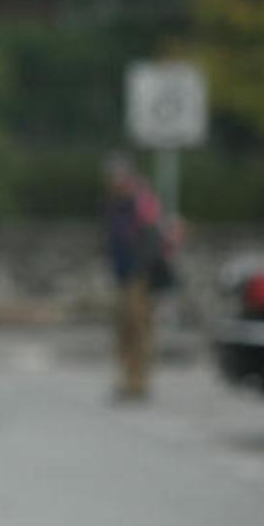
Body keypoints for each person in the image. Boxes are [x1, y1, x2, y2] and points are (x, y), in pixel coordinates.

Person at [104, 153, 175, 402]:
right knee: (124, 329)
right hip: (122, 275)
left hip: (139, 275)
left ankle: (139, 380)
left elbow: (152, 237)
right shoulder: (115, 203)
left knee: (138, 328)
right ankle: (127, 378)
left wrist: (142, 268)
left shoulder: (140, 201)